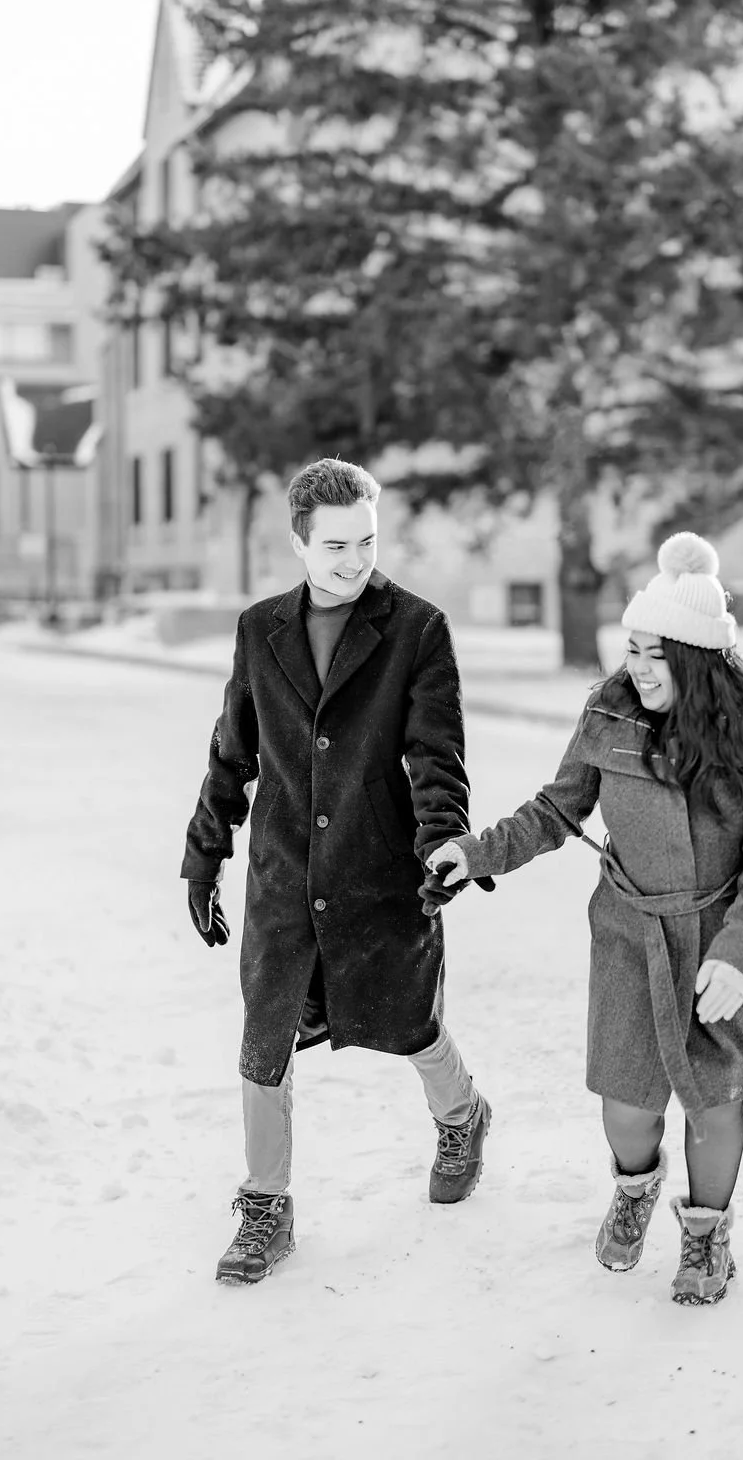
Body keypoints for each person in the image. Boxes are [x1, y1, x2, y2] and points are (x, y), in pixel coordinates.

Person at [426, 532, 743, 1306]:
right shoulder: (609, 713)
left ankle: (707, 1236)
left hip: (718, 938)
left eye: (657, 654)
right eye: (634, 649)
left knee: (714, 1101)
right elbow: (556, 810)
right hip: (630, 934)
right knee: (628, 1105)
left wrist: (741, 950)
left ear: (698, 658)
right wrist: (476, 854)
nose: (640, 668)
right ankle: (635, 1186)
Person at [183, 457, 493, 1285]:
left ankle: (463, 1114)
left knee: (407, 1016)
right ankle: (266, 1204)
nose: (355, 561)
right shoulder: (260, 630)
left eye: (367, 541)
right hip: (284, 872)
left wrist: (443, 841)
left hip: (378, 866)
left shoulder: (417, 628)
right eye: (335, 546)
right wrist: (205, 857)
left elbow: (436, 755)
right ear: (298, 543)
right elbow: (232, 753)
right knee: (266, 1036)